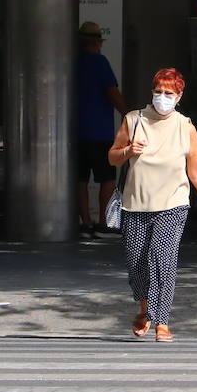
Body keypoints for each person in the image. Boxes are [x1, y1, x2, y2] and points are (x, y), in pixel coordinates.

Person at [108, 68, 197, 342]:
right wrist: (128, 151)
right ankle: (144, 308)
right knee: (136, 264)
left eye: (169, 93)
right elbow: (112, 157)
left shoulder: (186, 127)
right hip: (135, 205)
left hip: (172, 205)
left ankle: (162, 322)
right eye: (158, 92)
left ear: (179, 96)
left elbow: (196, 172)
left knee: (163, 259)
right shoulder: (133, 120)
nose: (162, 97)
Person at [77, 21, 127, 238]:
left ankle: (85, 223)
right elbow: (112, 92)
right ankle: (103, 224)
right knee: (107, 178)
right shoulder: (100, 62)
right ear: (98, 43)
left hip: (76, 131)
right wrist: (130, 114)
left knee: (80, 179)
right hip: (99, 132)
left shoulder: (73, 63)